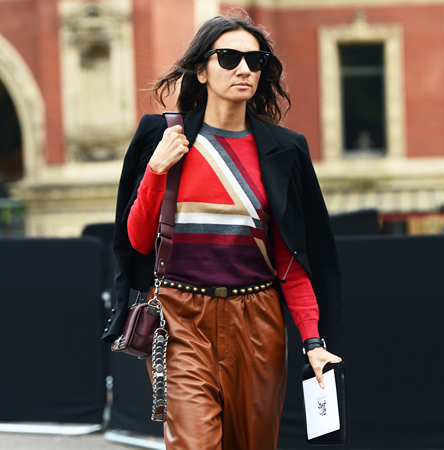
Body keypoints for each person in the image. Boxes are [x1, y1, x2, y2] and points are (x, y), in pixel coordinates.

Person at [102, 11, 343, 450]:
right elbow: (136, 240)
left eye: (255, 60)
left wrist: (313, 339)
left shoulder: (286, 150)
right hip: (179, 320)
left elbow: (290, 259)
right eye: (229, 58)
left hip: (257, 320)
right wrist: (156, 170)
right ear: (202, 70)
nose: (244, 69)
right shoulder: (164, 135)